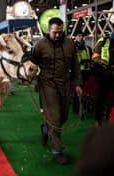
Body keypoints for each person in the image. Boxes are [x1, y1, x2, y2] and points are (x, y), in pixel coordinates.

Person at [31, 17, 83, 165]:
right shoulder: (40, 45)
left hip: (65, 85)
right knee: (55, 118)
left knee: (63, 117)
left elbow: (76, 65)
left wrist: (78, 83)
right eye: (55, 32)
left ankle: (45, 129)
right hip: (47, 85)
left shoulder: (69, 44)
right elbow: (31, 63)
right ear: (48, 30)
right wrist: (27, 74)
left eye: (60, 32)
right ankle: (57, 151)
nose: (58, 35)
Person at [72, 30, 93, 114]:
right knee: (77, 90)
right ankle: (77, 109)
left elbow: (91, 59)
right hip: (77, 72)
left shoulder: (88, 48)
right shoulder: (73, 47)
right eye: (79, 36)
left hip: (86, 72)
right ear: (76, 37)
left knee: (85, 91)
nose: (81, 37)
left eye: (82, 36)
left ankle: (84, 107)